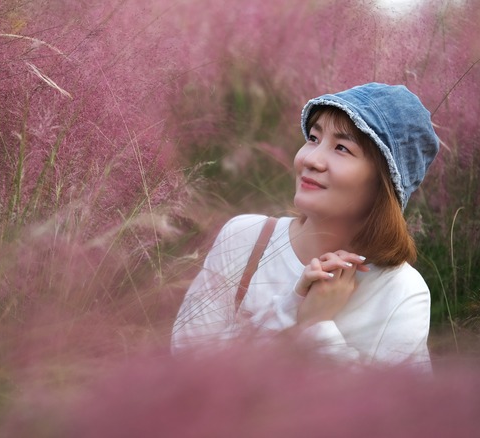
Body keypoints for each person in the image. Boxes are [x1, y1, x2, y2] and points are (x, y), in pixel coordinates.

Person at [171, 83, 440, 370]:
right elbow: (187, 363)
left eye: (341, 147)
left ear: (384, 183)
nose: (310, 159)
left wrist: (317, 327)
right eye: (313, 138)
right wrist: (291, 307)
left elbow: (395, 411)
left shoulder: (400, 291)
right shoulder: (246, 237)